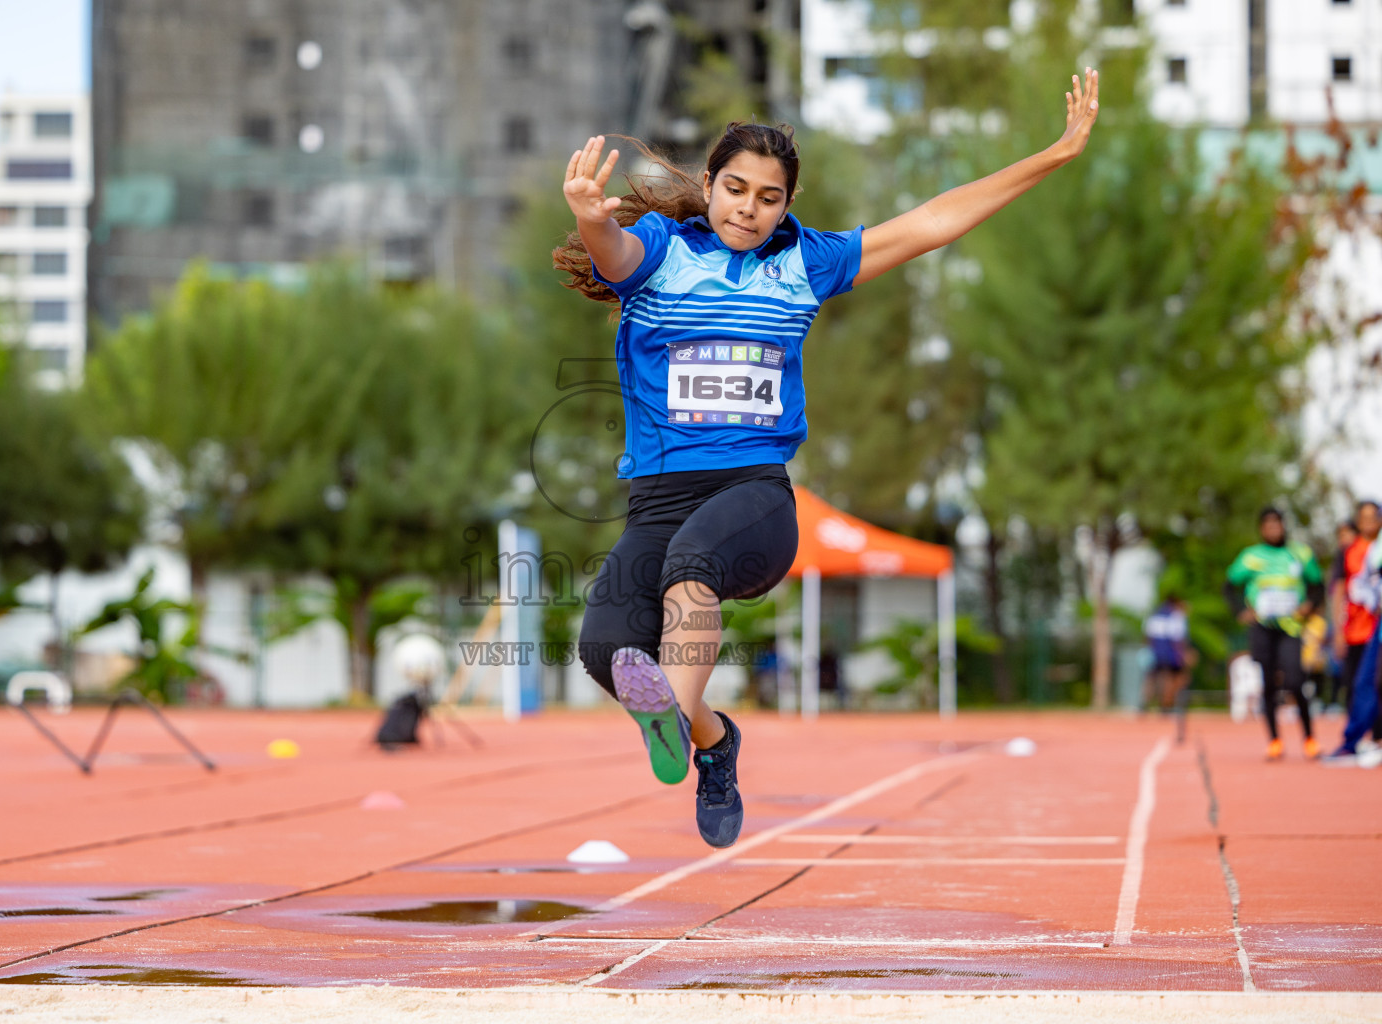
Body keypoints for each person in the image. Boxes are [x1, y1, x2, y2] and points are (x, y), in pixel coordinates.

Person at [561, 73, 1101, 847]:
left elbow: (932, 222)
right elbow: (609, 251)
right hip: (657, 497)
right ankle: (711, 740)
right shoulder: (658, 254)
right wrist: (588, 218)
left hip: (754, 500)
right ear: (709, 186)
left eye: (769, 197)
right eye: (736, 189)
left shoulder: (805, 263)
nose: (749, 208)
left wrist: (1050, 155)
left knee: (692, 563)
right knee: (603, 650)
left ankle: (674, 718)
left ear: (789, 205)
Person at [1225, 508, 1324, 760]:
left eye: (1277, 525)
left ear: (1283, 526)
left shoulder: (1300, 554)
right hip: (1263, 628)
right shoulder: (1251, 557)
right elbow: (1229, 585)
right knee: (1268, 684)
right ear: (1261, 529)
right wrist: (1240, 611)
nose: (1273, 530)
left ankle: (1309, 738)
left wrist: (1310, 606)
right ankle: (1274, 741)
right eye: (1268, 526)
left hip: (1290, 628)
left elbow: (1317, 585)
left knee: (1295, 681)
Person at [1332, 502, 1379, 717]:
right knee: (1354, 684)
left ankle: (1376, 737)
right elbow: (1339, 591)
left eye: (1373, 517)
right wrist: (1338, 631)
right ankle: (1357, 738)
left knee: (1377, 683)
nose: (1368, 522)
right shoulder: (1349, 551)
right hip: (1355, 629)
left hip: (1376, 630)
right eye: (1364, 517)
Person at [1325, 519, 1358, 712]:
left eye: (1346, 534)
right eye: (1340, 536)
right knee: (1348, 678)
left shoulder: (1367, 557)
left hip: (1366, 627)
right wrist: (1337, 631)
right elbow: (1335, 599)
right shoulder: (1339, 564)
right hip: (1346, 628)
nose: (1342, 540)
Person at [1142, 595, 1190, 713]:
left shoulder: (1154, 615)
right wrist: (1182, 656)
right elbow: (1178, 639)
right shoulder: (1176, 616)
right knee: (1174, 678)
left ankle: (1144, 704)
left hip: (1155, 653)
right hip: (1170, 654)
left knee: (1151, 678)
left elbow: (1148, 637)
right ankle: (1165, 706)